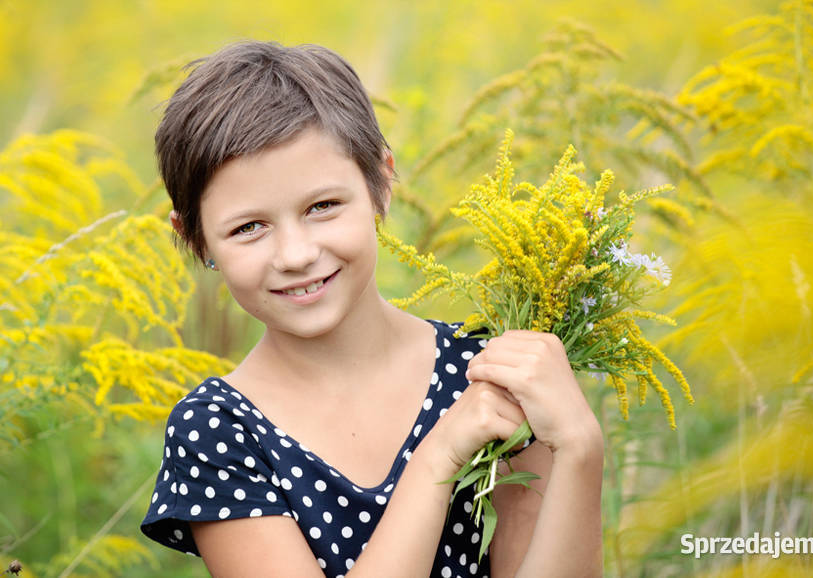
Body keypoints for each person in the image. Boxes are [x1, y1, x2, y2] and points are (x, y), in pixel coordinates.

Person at [140, 40, 604, 578]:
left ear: (381, 183)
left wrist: (579, 447)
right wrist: (437, 458)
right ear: (194, 238)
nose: (296, 255)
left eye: (323, 206)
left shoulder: (486, 371)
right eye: (249, 227)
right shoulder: (218, 432)